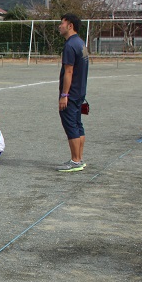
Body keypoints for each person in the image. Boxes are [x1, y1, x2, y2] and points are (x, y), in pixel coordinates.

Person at [56, 13, 89, 172]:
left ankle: (75, 161)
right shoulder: (80, 43)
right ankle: (79, 158)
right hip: (80, 92)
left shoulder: (70, 45)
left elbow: (69, 72)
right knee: (77, 124)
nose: (59, 26)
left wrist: (64, 95)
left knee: (71, 125)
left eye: (62, 23)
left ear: (70, 26)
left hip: (72, 93)